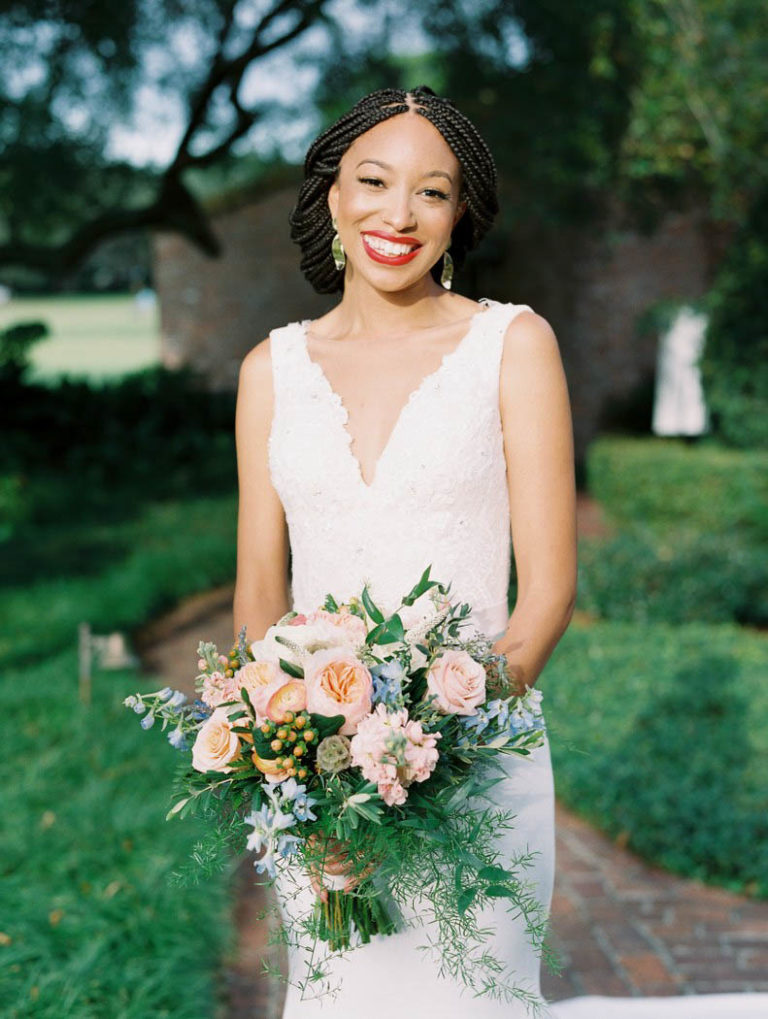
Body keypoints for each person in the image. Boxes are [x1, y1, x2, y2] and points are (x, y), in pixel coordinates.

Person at [232, 84, 768, 1019]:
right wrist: (292, 763)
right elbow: (256, 593)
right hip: (320, 796)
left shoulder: (511, 345)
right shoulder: (268, 371)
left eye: (432, 192)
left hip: (479, 764)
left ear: (461, 213)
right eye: (373, 181)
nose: (398, 214)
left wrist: (419, 756)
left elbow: (550, 589)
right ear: (331, 197)